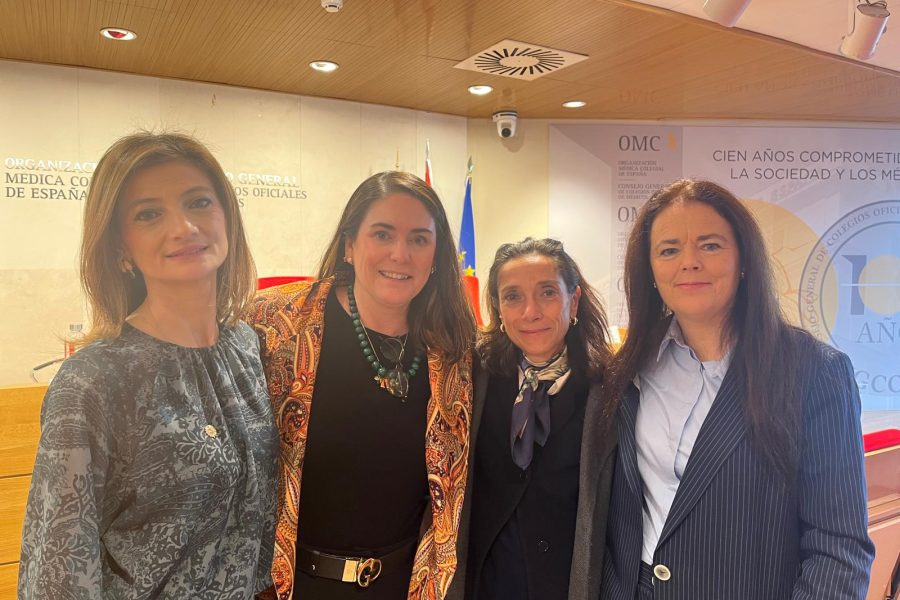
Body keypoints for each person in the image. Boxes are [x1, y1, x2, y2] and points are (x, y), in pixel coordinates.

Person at [18, 132, 279, 599]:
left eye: (199, 202)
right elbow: (57, 566)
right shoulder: (94, 381)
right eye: (149, 214)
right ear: (121, 247)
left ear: (227, 217)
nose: (184, 227)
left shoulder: (247, 347)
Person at [601, 179, 875, 600]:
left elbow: (839, 548)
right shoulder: (628, 371)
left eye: (710, 245)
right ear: (650, 271)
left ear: (744, 260)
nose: (689, 262)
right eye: (669, 250)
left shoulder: (814, 372)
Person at [249, 171, 475, 600]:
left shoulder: (454, 349)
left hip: (405, 586)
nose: (400, 254)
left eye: (419, 239)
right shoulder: (274, 326)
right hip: (291, 585)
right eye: (382, 234)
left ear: (437, 255)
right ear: (349, 245)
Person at [450, 237, 616, 600]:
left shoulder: (608, 389)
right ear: (497, 309)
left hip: (565, 584)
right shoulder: (473, 380)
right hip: (488, 582)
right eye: (513, 296)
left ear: (573, 301)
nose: (530, 312)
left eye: (547, 293)